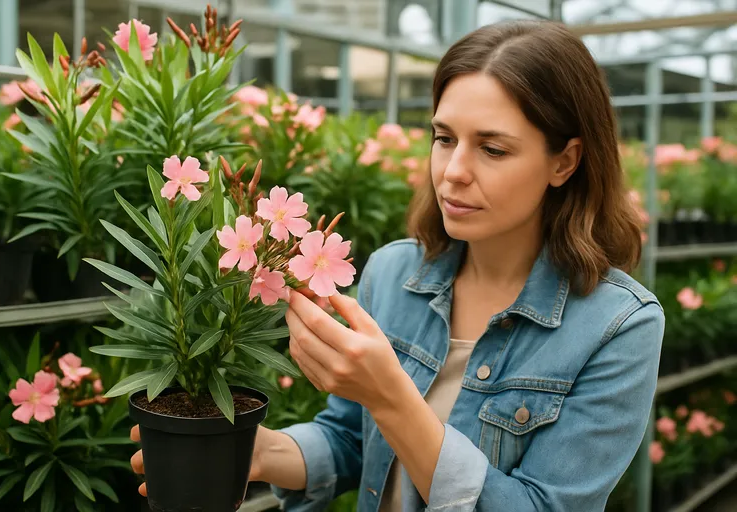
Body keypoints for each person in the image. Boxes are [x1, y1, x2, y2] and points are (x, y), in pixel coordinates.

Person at [131, 20, 664, 511]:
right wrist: (265, 452)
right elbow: (350, 440)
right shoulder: (393, 274)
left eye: (493, 149)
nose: (453, 171)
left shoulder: (617, 327)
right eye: (444, 137)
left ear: (564, 162)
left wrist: (389, 396)